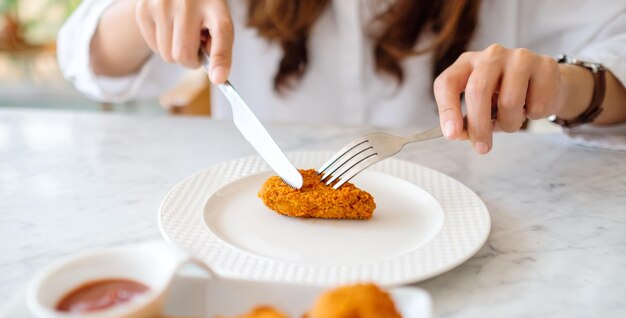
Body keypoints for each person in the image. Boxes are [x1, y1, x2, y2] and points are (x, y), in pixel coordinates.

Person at [57, 0, 626, 154]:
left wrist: (568, 89)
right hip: (263, 240)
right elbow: (86, 60)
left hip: (474, 232)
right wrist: (143, 12)